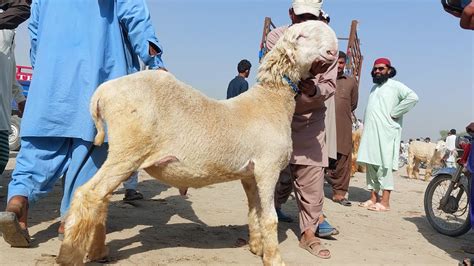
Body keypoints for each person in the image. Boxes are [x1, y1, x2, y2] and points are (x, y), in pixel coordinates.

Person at [0, 0, 165, 247]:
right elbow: (135, 18)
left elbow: (35, 32)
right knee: (89, 152)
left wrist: (47, 70)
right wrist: (156, 62)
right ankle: (71, 220)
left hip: (52, 81)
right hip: (98, 78)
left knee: (37, 151)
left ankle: (18, 201)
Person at [266, 0, 337, 259]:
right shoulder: (277, 37)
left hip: (309, 120)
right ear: (290, 14)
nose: (306, 21)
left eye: (311, 17)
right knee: (272, 178)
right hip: (277, 119)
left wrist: (315, 89)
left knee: (311, 180)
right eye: (301, 16)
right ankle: (261, 231)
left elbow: (329, 85)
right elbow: (274, 71)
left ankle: (309, 235)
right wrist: (304, 74)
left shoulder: (328, 43)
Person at [357, 58, 418, 212]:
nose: (377, 71)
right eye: (375, 69)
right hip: (371, 132)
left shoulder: (396, 86)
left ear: (389, 70)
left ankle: (385, 202)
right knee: (371, 164)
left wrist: (395, 113)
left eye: (381, 69)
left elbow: (413, 97)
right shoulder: (374, 88)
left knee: (384, 165)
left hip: (386, 132)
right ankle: (373, 198)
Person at [325, 51, 358, 206]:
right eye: (336, 62)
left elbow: (353, 104)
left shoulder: (350, 82)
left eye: (341, 63)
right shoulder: (321, 79)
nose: (338, 66)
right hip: (322, 126)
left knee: (342, 159)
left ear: (345, 64)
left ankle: (339, 193)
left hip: (342, 126)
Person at [0, 0, 29, 175]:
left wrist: (20, 98)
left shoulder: (8, 25)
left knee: (3, 158)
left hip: (3, 110)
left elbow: (10, 64)